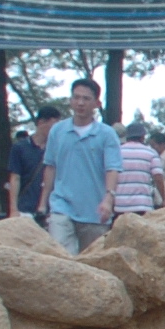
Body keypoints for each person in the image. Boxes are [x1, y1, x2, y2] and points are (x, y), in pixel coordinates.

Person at [41, 78, 121, 253]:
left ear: (96, 103)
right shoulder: (57, 131)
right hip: (61, 206)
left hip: (94, 211)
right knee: (61, 256)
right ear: (70, 100)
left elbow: (112, 168)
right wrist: (43, 201)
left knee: (93, 262)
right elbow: (50, 166)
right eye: (76, 97)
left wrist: (108, 199)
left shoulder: (107, 134)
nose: (80, 103)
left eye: (86, 98)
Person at [6, 103, 59, 223]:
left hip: (52, 210)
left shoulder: (57, 148)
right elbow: (15, 178)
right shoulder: (20, 148)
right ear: (41, 123)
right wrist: (13, 209)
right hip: (25, 208)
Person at [115, 121, 165, 215]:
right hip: (143, 205)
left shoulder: (117, 152)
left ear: (127, 136)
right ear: (143, 136)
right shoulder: (151, 153)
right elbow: (158, 178)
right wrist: (164, 199)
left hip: (120, 206)